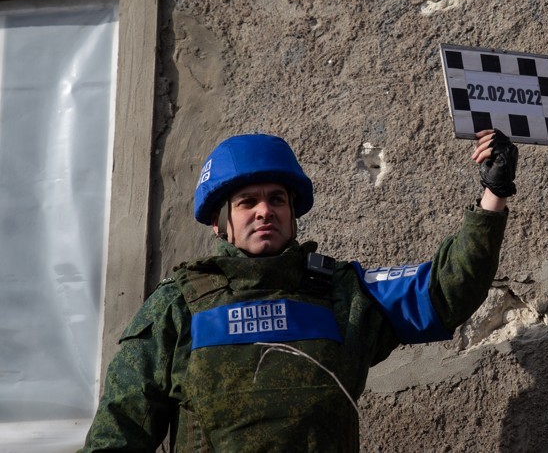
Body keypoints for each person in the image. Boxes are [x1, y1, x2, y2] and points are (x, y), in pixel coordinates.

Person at [79, 128, 519, 452]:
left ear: (293, 212)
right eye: (247, 202)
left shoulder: (341, 295)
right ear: (220, 222)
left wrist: (492, 193)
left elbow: (444, 291)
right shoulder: (178, 305)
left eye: (277, 199)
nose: (264, 211)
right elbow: (118, 433)